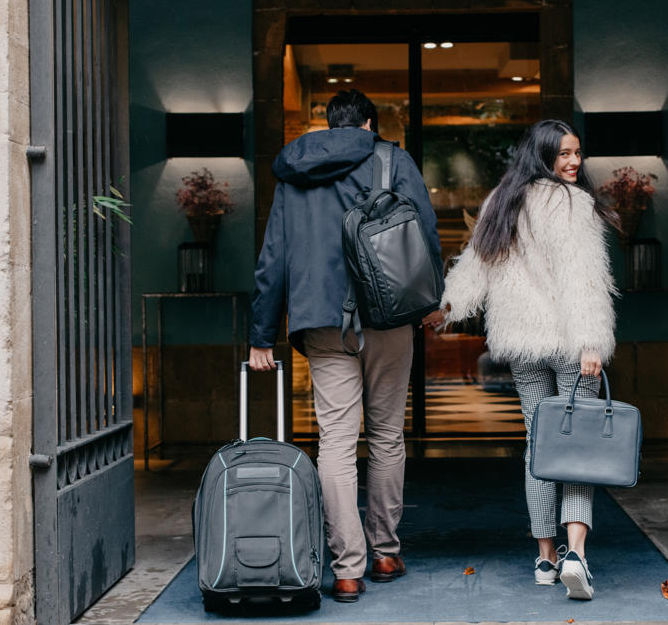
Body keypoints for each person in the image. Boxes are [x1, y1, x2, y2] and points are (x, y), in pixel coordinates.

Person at [248, 89, 444, 603]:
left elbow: (273, 257)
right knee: (385, 435)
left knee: (335, 440)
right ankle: (383, 551)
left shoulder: (294, 170)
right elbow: (424, 233)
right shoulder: (392, 158)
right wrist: (432, 301)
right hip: (387, 317)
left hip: (320, 320)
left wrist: (260, 336)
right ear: (370, 123)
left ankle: (347, 568)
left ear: (327, 124)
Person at [432, 119, 618, 601]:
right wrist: (592, 341)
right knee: (576, 446)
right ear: (543, 157)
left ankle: (546, 558)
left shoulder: (502, 200)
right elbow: (584, 279)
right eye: (564, 155)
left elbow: (474, 267)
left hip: (521, 342)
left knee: (539, 448)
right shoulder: (571, 203)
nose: (574, 163)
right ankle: (575, 553)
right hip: (572, 344)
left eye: (577, 152)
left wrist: (447, 310)